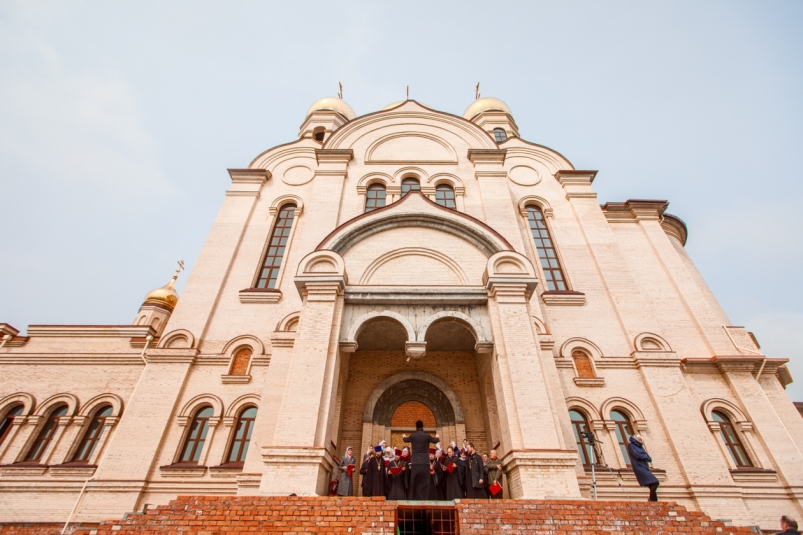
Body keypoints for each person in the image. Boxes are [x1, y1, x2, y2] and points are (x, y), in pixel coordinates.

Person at [402, 420, 440, 500]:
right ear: (423, 426)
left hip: (415, 462)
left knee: (414, 482)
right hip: (425, 462)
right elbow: (436, 440)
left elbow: (405, 440)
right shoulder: (427, 436)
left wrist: (404, 436)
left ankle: (413, 500)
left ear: (416, 427)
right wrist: (437, 436)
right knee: (425, 483)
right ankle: (424, 500)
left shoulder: (413, 436)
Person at [627, 434, 659, 501]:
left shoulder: (641, 447)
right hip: (639, 467)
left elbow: (650, 459)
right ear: (635, 439)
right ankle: (651, 500)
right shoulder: (631, 445)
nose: (641, 441)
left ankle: (653, 502)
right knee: (655, 482)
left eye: (641, 439)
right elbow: (637, 455)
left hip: (644, 467)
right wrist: (644, 457)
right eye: (639, 439)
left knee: (652, 485)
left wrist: (644, 457)